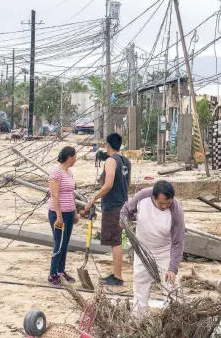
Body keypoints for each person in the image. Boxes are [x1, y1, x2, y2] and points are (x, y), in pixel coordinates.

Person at [120, 180, 185, 316]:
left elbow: (178, 242)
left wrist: (172, 268)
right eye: (161, 203)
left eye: (168, 203)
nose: (164, 206)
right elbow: (126, 210)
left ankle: (176, 317)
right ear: (153, 197)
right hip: (142, 249)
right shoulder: (142, 197)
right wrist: (123, 220)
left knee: (171, 286)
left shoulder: (176, 210)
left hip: (164, 251)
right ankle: (140, 318)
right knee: (140, 284)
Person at [84, 133, 131, 286]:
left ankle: (117, 277)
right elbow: (127, 184)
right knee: (116, 239)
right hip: (123, 205)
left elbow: (108, 184)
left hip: (113, 206)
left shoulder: (111, 161)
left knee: (115, 242)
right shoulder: (126, 161)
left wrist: (94, 197)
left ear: (107, 145)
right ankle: (115, 274)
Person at [47, 146, 79, 286]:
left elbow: (72, 193)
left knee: (65, 243)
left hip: (69, 212)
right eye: (74, 157)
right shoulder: (56, 173)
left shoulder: (69, 173)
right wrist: (59, 215)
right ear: (69, 157)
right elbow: (55, 194)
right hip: (57, 213)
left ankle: (61, 271)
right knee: (58, 243)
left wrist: (75, 212)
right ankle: (52, 273)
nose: (75, 159)